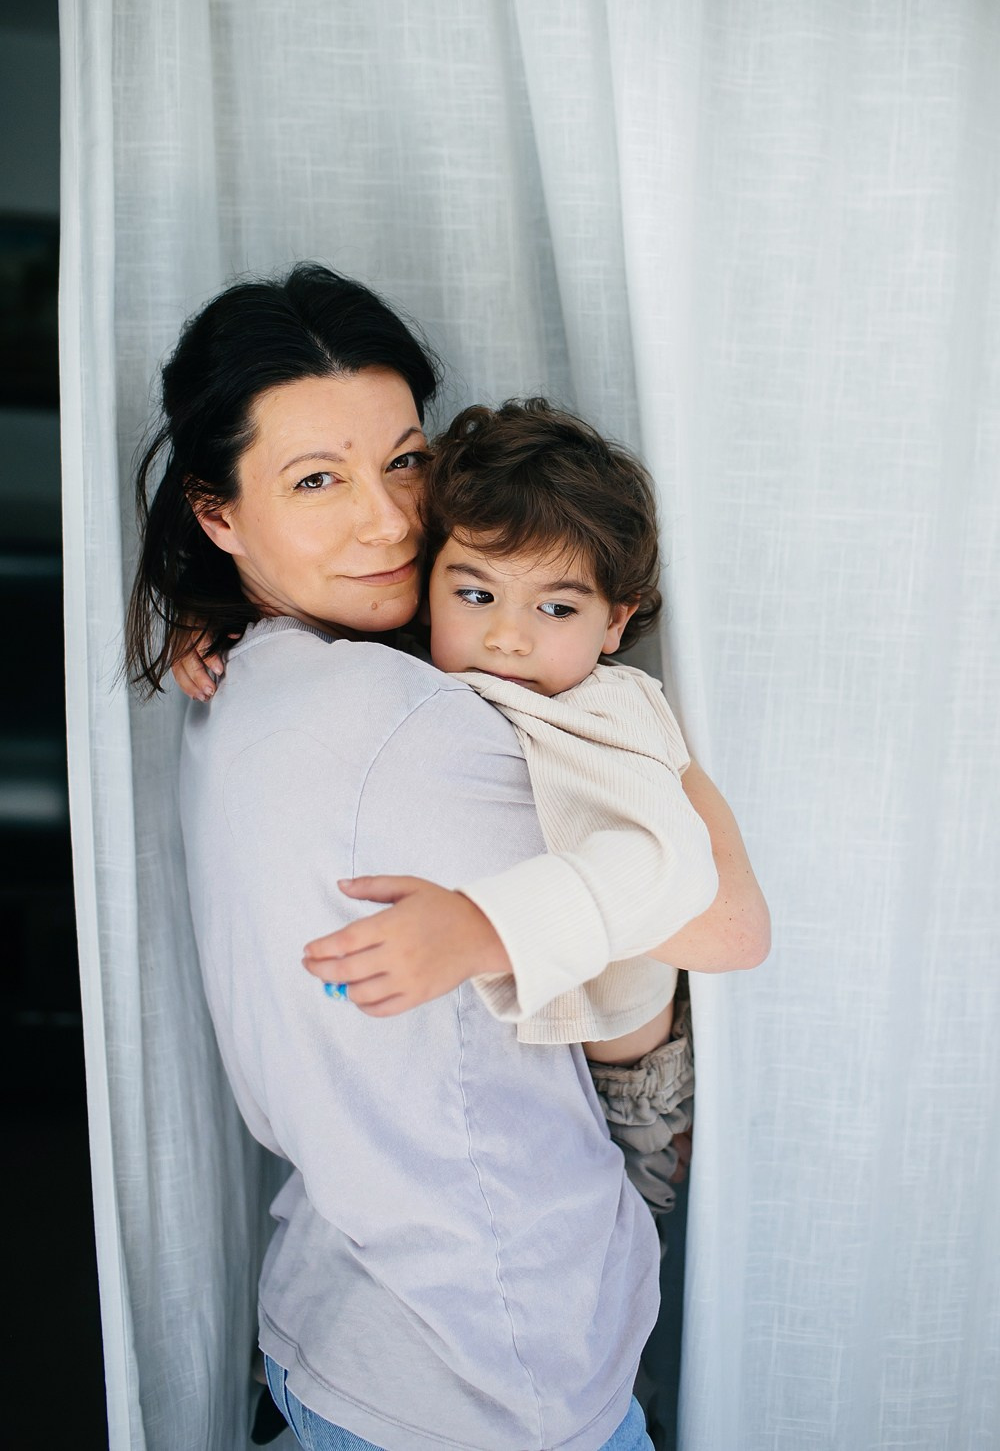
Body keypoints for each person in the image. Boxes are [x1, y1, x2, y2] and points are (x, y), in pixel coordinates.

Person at [130, 262, 769, 1451]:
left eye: (406, 462)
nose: (386, 520)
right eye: (316, 480)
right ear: (217, 515)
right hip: (481, 1370)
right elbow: (728, 920)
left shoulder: (246, 674)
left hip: (347, 1312)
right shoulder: (414, 721)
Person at [302, 397, 714, 1217]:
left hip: (628, 1083)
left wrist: (482, 927)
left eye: (556, 608)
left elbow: (669, 864)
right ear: (428, 593)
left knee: (601, 1283)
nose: (509, 638)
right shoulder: (434, 675)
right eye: (476, 595)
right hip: (525, 1063)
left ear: (615, 622)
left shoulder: (610, 710)